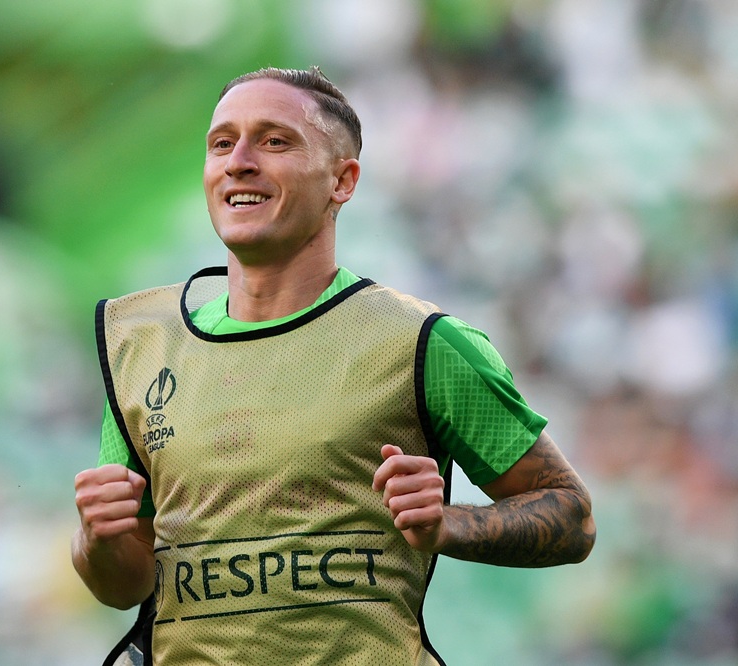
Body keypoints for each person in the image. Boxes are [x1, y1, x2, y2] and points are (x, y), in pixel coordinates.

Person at [73, 66, 595, 666]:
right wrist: (96, 541)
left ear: (342, 181)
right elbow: (123, 585)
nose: (239, 161)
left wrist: (448, 523)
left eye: (274, 141)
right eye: (222, 143)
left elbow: (572, 517)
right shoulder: (142, 348)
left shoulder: (421, 342)